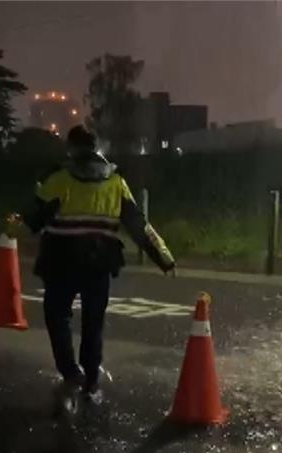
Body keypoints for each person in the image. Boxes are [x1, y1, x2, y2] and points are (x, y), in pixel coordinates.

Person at [17, 125, 175, 415]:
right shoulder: (116, 182)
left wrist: (17, 224)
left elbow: (34, 218)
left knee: (57, 316)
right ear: (96, 148)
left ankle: (70, 373)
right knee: (93, 322)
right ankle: (91, 378)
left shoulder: (59, 179)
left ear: (72, 149)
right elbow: (138, 225)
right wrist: (163, 257)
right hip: (100, 263)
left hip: (61, 262)